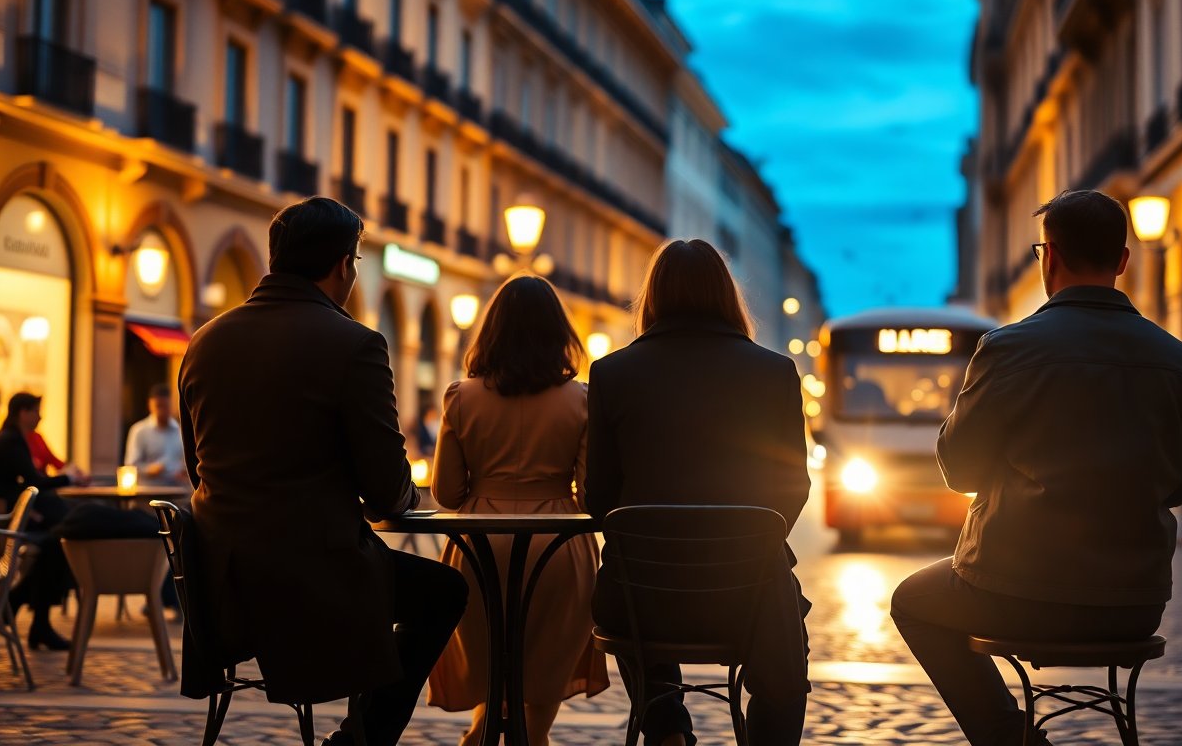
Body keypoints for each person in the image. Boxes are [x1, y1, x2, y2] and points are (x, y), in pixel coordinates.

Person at [889, 189, 1182, 746]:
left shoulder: (1009, 350)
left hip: (1014, 593)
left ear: (1050, 257)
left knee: (913, 602)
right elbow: (1181, 486)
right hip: (1133, 606)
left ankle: (1013, 739)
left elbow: (960, 470)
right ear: (1121, 262)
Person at [177, 196, 468, 746]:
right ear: (343, 265)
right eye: (355, 263)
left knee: (398, 579)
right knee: (444, 591)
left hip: (221, 588)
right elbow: (386, 492)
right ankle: (360, 738)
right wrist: (407, 493)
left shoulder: (203, 342)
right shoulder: (354, 344)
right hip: (314, 586)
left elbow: (198, 469)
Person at [587, 239, 812, 746]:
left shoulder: (612, 373)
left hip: (643, 598)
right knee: (783, 632)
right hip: (747, 593)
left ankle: (667, 730)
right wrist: (750, 545)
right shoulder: (774, 372)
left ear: (653, 296)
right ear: (725, 296)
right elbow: (793, 485)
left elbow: (599, 498)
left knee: (635, 575)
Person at [427, 275, 609, 745]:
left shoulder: (461, 397)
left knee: (493, 655)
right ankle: (532, 735)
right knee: (545, 660)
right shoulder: (583, 401)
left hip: (480, 542)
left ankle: (483, 731)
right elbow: (591, 497)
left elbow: (446, 492)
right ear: (558, 334)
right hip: (557, 545)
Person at [0, 393, 152, 650]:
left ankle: (22, 605)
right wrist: (69, 479)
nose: (40, 416)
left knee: (61, 539)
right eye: (37, 411)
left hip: (10, 519)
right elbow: (34, 482)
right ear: (23, 413)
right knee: (64, 539)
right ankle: (32, 617)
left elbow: (19, 483)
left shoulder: (11, 439)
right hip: (3, 525)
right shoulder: (10, 441)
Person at [124, 383, 188, 485]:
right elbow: (130, 467)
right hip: (149, 492)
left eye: (165, 406)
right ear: (150, 405)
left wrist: (183, 472)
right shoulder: (139, 431)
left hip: (176, 492)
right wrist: (150, 470)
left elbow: (187, 463)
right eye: (158, 406)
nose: (161, 411)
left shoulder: (181, 431)